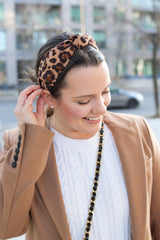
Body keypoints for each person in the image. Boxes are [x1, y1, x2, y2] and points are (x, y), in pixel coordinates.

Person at [0, 32, 160, 240]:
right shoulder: (19, 145)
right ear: (49, 98)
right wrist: (31, 140)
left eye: (105, 91)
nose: (101, 108)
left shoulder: (137, 131)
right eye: (84, 101)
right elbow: (6, 226)